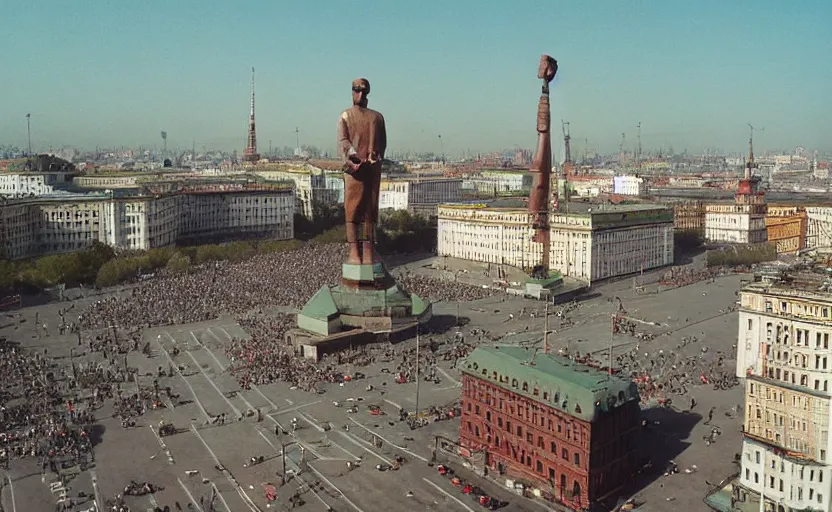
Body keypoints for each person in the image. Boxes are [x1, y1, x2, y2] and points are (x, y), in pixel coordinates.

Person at [337, 78, 387, 265]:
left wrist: (376, 156)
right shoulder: (346, 116)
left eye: (363, 92)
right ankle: (353, 252)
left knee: (369, 211)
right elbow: (343, 141)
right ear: (352, 91)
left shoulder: (377, 117)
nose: (360, 95)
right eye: (356, 91)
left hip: (372, 170)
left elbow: (382, 144)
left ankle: (368, 250)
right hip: (354, 171)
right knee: (352, 210)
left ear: (368, 94)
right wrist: (353, 156)